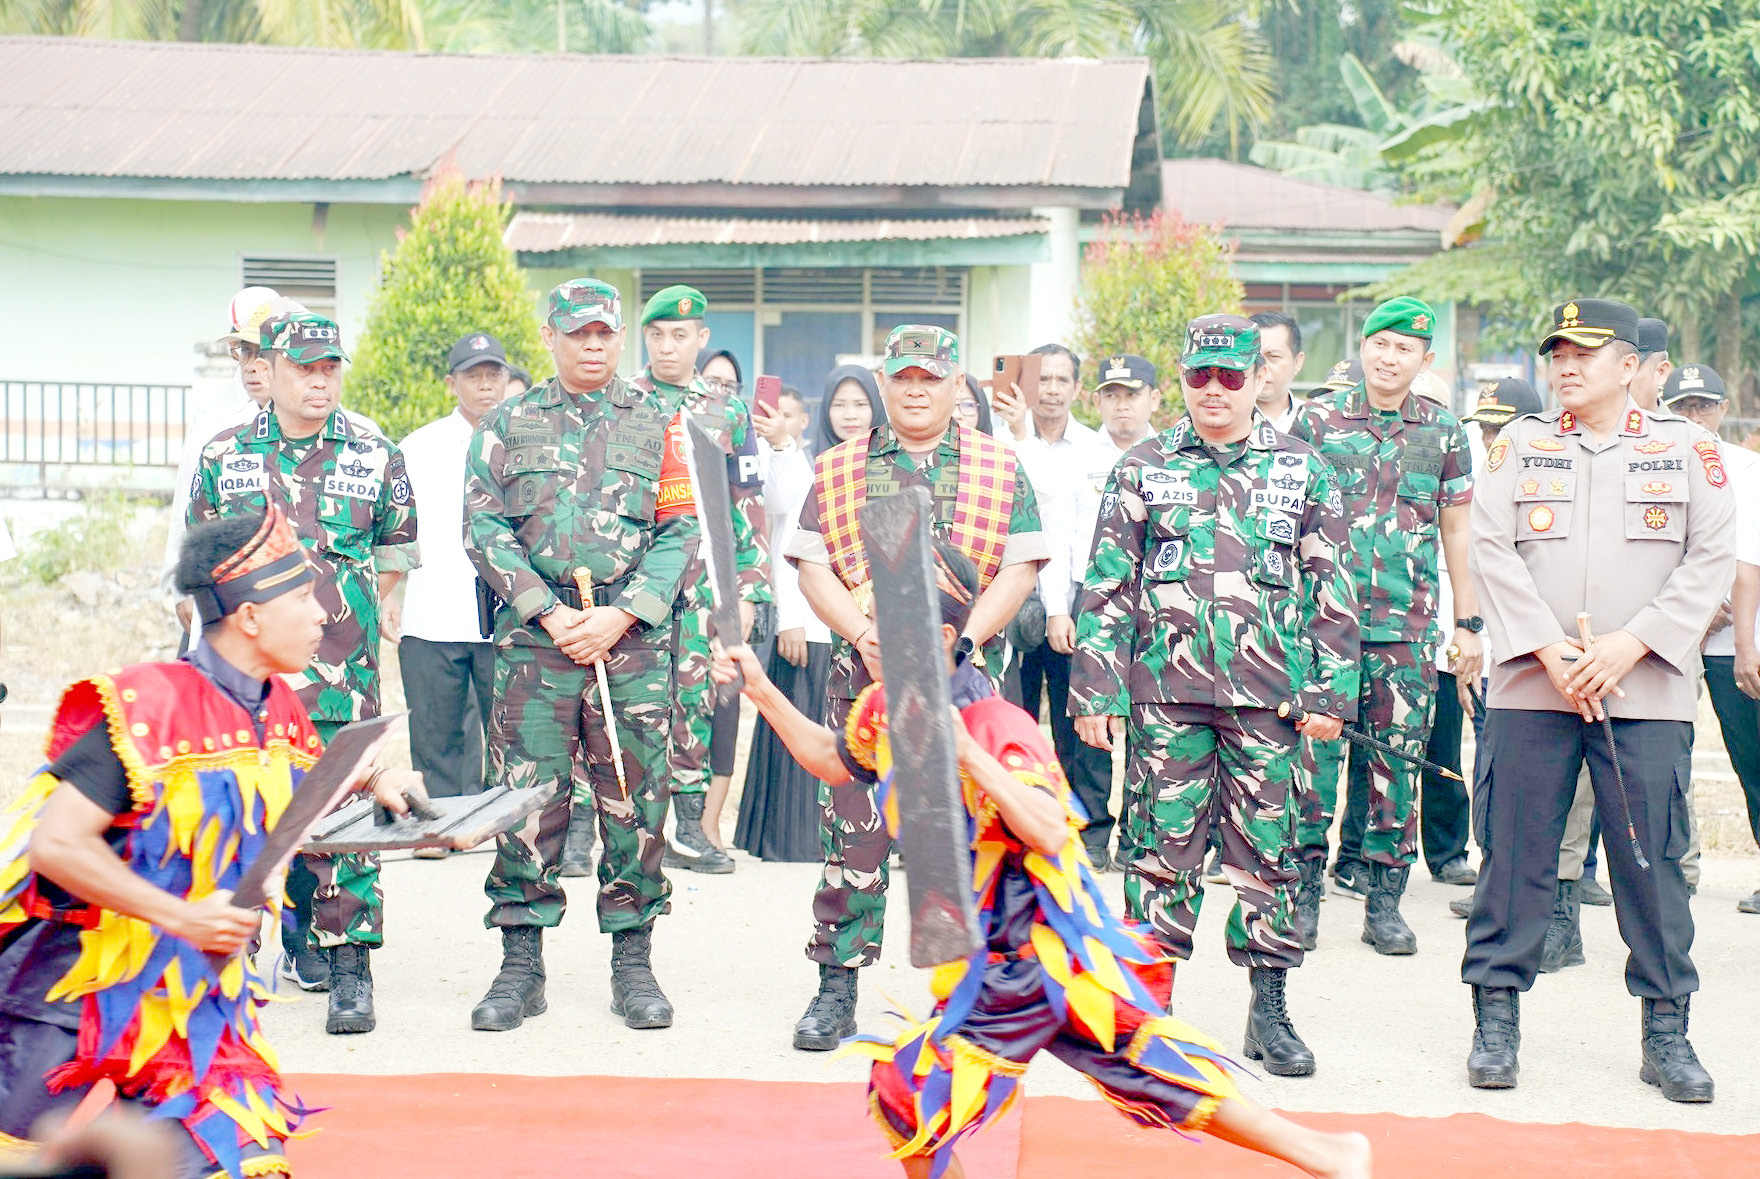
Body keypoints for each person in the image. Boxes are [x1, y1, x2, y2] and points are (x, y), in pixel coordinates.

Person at [711, 540, 1372, 1179]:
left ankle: (1332, 1157)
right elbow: (833, 760)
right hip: (1023, 956)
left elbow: (1052, 830)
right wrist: (763, 690)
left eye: (883, 623)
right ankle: (1331, 1156)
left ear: (941, 639)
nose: (868, 634)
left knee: (907, 1092)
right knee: (1158, 1072)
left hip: (1031, 957)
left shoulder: (998, 722)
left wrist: (970, 756)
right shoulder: (885, 708)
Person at [0, 509, 417, 1178]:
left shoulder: (277, 703)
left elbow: (299, 784)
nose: (323, 616)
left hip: (188, 1009)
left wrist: (381, 776)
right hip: (60, 996)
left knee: (245, 1159)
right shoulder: (144, 705)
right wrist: (184, 916)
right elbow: (57, 846)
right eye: (304, 597)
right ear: (249, 616)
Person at [1069, 315, 1359, 1077]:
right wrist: (1096, 689)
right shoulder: (1142, 466)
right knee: (1159, 855)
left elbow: (1335, 587)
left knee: (1270, 856)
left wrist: (1331, 692)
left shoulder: (1304, 469)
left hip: (1271, 702)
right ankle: (1146, 1014)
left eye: (1232, 376)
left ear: (1260, 379)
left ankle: (1269, 1010)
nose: (1215, 391)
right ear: (1184, 378)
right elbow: (1106, 587)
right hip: (1167, 699)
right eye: (1201, 376)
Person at [1463, 298, 1731, 1103]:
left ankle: (1666, 1031)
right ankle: (1496, 1021)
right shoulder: (1519, 444)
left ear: (1629, 365)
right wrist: (1548, 646)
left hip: (1644, 688)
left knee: (1650, 865)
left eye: (1584, 352)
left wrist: (1631, 643)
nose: (1566, 365)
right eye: (1557, 352)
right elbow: (1491, 548)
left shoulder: (1688, 449)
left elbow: (1710, 556)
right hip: (1530, 687)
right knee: (1513, 861)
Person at [782, 324, 1047, 1052]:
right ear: (884, 383)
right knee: (852, 841)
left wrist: (962, 642)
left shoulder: (999, 467)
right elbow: (812, 569)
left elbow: (1019, 571)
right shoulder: (839, 468)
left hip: (961, 690)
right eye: (903, 378)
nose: (917, 389)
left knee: (967, 842)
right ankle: (836, 988)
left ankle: (974, 993)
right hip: (860, 685)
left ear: (956, 383)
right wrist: (864, 634)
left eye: (931, 377)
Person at [464, 279, 698, 1033]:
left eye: (604, 332)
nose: (593, 343)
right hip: (538, 641)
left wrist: (623, 613)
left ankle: (634, 958)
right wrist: (548, 608)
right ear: (550, 336)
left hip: (628, 643)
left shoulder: (659, 422)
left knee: (634, 798)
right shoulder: (507, 423)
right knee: (527, 800)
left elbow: (681, 530)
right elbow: (483, 528)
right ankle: (520, 962)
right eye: (578, 332)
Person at [187, 312, 419, 1032]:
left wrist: (341, 619)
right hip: (246, 676)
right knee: (242, 813)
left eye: (330, 369)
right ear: (273, 371)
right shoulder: (225, 454)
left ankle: (349, 960)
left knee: (348, 808)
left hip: (341, 673)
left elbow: (392, 556)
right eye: (305, 369)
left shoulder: (375, 453)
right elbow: (203, 558)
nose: (320, 382)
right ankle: (229, 963)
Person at [1285, 297, 1480, 955]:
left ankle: (1384, 906)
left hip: (1407, 627)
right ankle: (1303, 899)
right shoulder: (1314, 421)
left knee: (1394, 774)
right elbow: (1285, 522)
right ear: (1362, 347)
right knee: (1312, 767)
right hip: (1323, 628)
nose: (1389, 356)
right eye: (1380, 343)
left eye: (1405, 348)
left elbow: (1457, 529)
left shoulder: (1444, 432)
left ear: (1424, 360)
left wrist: (1469, 622)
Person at [632, 286, 770, 877]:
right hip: (633, 584)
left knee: (696, 702)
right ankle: (597, 826)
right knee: (623, 701)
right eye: (658, 335)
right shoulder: (618, 401)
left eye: (680, 335)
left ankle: (690, 828)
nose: (669, 346)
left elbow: (747, 508)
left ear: (701, 338)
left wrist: (750, 591)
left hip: (702, 586)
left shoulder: (727, 411)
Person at [738, 370, 872, 862]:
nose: (852, 415)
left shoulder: (884, 466)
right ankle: (793, 840)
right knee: (802, 725)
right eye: (842, 404)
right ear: (825, 412)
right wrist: (791, 617)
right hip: (811, 625)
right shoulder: (811, 465)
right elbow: (785, 535)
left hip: (867, 629)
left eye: (861, 404)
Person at [396, 333, 511, 864]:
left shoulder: (527, 439)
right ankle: (439, 826)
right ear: (451, 383)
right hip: (432, 605)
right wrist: (390, 595)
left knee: (508, 727)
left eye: (493, 374)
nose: (485, 385)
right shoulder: (417, 446)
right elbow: (395, 530)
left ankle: (504, 826)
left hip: (506, 609)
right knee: (435, 726)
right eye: (473, 375)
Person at [1004, 345, 1115, 867]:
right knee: (1012, 717)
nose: (1050, 388)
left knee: (1080, 721)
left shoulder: (1098, 451)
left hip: (1078, 597)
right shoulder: (996, 443)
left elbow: (1079, 534)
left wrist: (1066, 607)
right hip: (1006, 598)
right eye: (1041, 378)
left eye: (1060, 379)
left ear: (1076, 389)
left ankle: (1089, 829)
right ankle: (1013, 825)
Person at [165, 288, 304, 633]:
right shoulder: (214, 427)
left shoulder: (351, 431)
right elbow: (188, 514)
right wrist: (179, 588)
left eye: (262, 352)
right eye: (242, 352)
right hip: (228, 605)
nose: (251, 367)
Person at [1663, 365, 1752, 906]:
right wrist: (1692, 608)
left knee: (1752, 760)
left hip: (1736, 638)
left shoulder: (1747, 468)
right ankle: (1681, 866)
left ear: (1723, 408)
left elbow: (1748, 549)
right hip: (1677, 634)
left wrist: (1724, 610)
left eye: (1705, 406)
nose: (1695, 417)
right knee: (1671, 755)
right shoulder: (1656, 457)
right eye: (1683, 407)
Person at [1249, 311, 1308, 429]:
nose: (1262, 367)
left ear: (1297, 362)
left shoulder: (1314, 420)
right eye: (1254, 357)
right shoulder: (1225, 418)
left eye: (1273, 356)